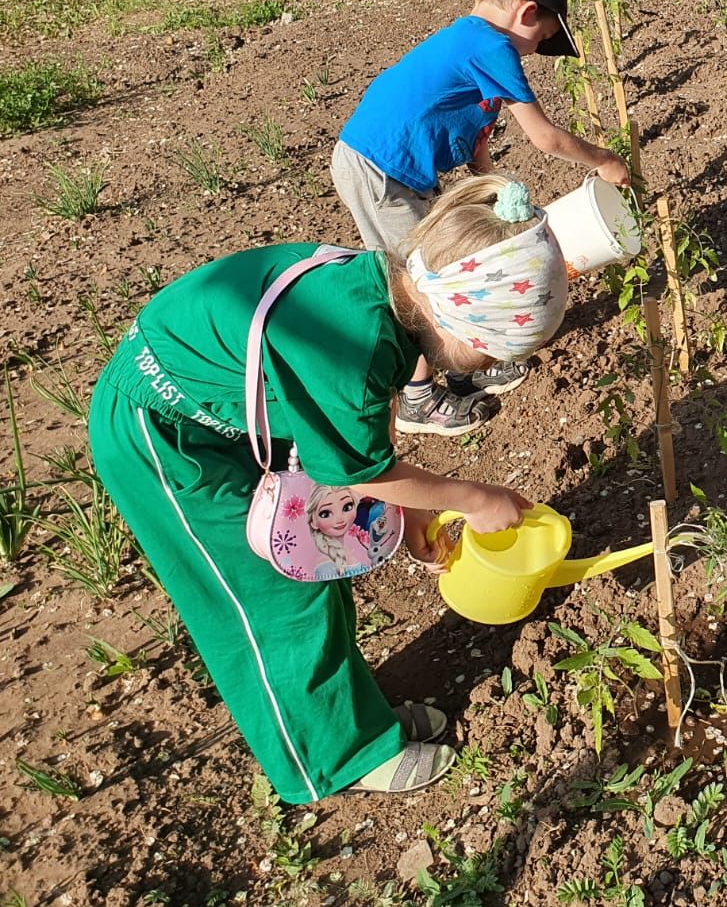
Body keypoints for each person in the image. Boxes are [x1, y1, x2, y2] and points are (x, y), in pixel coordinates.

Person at [88, 176, 568, 801]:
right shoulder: (354, 343)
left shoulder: (386, 295)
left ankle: (354, 718)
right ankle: (336, 759)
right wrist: (471, 498)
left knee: (319, 563)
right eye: (481, 360)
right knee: (275, 598)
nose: (473, 373)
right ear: (459, 325)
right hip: (164, 439)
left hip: (230, 416)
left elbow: (354, 441)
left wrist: (409, 512)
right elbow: (356, 466)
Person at [332, 0, 629, 437]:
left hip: (394, 169)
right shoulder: (492, 46)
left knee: (443, 260)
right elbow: (545, 137)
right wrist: (604, 161)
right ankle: (417, 398)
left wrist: (486, 191)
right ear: (527, 12)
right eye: (543, 39)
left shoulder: (470, 43)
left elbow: (475, 143)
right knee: (418, 281)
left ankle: (463, 359)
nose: (535, 51)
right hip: (378, 171)